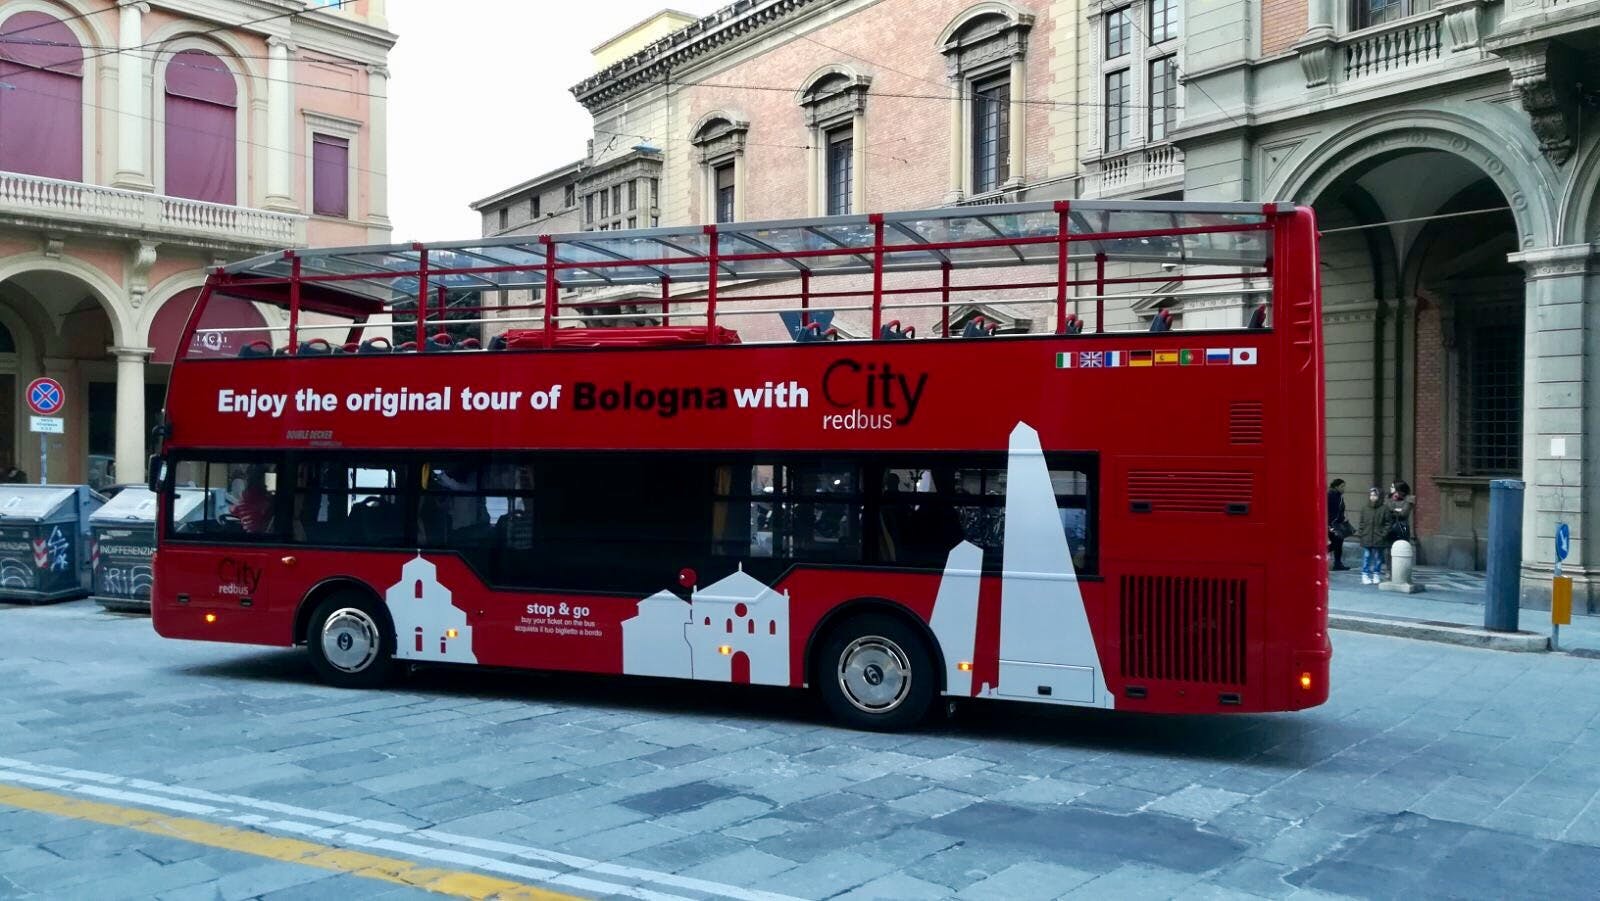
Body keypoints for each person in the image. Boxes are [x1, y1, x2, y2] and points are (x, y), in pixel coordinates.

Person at [1356, 486, 1389, 585]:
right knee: (1366, 556)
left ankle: (1376, 574)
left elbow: (1388, 523)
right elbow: (1361, 523)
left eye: (1375, 495)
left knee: (1378, 557)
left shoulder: (1384, 509)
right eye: (1371, 495)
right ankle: (1365, 574)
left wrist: (1383, 534)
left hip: (1379, 537)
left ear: (1379, 496)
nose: (1372, 497)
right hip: (1367, 536)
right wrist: (1361, 533)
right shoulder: (1365, 508)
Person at [1382, 480, 1415, 577]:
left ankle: (1401, 571)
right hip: (1389, 527)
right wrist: (1396, 510)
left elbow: (1404, 513)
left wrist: (1392, 510)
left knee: (1402, 548)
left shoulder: (1409, 499)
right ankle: (1389, 571)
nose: (1390, 488)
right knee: (1388, 550)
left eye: (1392, 487)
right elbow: (1385, 510)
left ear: (1398, 489)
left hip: (1401, 527)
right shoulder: (1388, 498)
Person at [231, 466, 273, 534]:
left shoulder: (244, 501)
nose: (266, 485)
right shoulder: (263, 502)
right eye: (264, 480)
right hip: (259, 537)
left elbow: (234, 509)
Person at [1327, 478, 1350, 570]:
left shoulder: (1339, 496)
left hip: (1338, 523)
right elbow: (1327, 511)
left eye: (1344, 486)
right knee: (1336, 543)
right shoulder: (1330, 495)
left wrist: (1344, 518)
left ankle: (1338, 563)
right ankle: (1318, 553)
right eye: (1342, 486)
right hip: (1332, 524)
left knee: (1338, 543)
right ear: (1336, 487)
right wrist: (1329, 525)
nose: (1344, 488)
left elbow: (1340, 510)